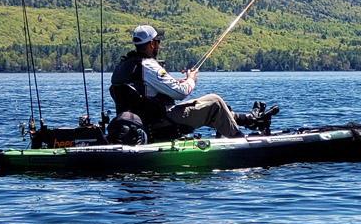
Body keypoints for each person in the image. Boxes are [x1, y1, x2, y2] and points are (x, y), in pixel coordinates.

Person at [110, 25, 275, 140]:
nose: (158, 45)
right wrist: (191, 79)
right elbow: (181, 93)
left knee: (206, 107)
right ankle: (239, 140)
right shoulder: (149, 66)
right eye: (158, 41)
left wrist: (177, 83)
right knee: (215, 102)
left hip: (140, 121)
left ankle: (248, 120)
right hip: (159, 121)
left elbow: (145, 92)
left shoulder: (124, 66)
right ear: (152, 43)